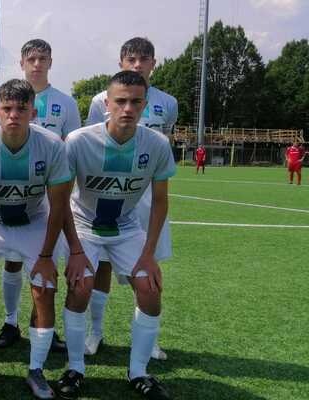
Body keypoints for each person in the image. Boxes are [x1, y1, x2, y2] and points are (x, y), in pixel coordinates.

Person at [0, 79, 91, 397]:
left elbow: (59, 205)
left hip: (35, 221)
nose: (14, 115)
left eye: (21, 109)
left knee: (44, 289)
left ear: (34, 113)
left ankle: (36, 370)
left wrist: (46, 257)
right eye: (7, 108)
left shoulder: (51, 145)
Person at [67, 71, 175, 399]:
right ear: (107, 104)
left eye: (135, 102)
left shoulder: (157, 144)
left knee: (150, 288)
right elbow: (59, 200)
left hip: (126, 228)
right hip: (84, 225)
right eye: (121, 101)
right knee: (81, 286)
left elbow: (160, 201)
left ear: (144, 105)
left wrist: (149, 254)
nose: (128, 108)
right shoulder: (79, 141)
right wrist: (75, 251)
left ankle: (138, 371)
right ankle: (75, 368)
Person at [84, 37, 177, 360]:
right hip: (108, 193)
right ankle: (96, 332)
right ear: (121, 63)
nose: (137, 65)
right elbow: (94, 143)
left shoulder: (168, 102)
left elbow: (162, 145)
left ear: (153, 63)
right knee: (101, 265)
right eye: (131, 59)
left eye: (144, 59)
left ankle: (150, 339)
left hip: (145, 195)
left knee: (148, 266)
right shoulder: (99, 100)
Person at [0, 39, 82, 352]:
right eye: (31, 59)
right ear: (21, 63)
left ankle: (42, 324)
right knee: (12, 262)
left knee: (46, 261)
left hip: (48, 193)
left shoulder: (65, 103)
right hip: (12, 189)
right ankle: (10, 322)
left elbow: (72, 148)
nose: (37, 64)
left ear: (50, 62)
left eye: (43, 58)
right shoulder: (6, 97)